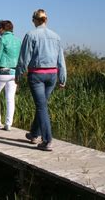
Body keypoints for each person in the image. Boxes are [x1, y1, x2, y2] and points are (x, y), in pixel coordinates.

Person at [16, 9, 67, 151]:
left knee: (41, 106)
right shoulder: (56, 36)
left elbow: (23, 58)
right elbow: (61, 59)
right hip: (52, 75)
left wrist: (18, 75)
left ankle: (47, 140)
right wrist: (63, 78)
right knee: (42, 105)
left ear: (34, 20)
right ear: (46, 20)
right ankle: (34, 134)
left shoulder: (30, 35)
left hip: (37, 75)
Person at [0, 20, 21, 131]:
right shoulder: (18, 40)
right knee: (10, 98)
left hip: (1, 72)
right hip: (14, 73)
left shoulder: (2, 39)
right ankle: (8, 124)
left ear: (4, 29)